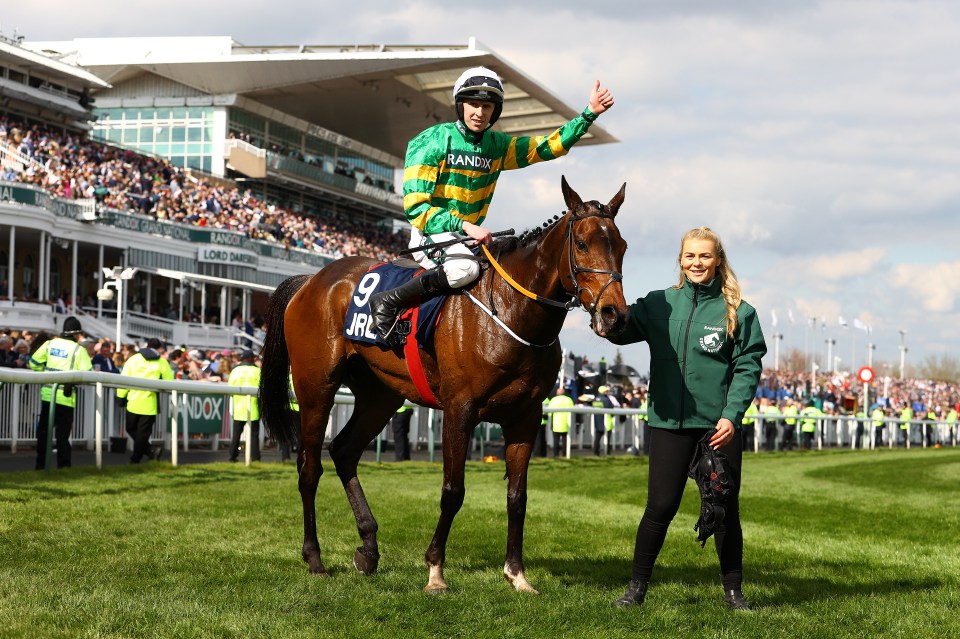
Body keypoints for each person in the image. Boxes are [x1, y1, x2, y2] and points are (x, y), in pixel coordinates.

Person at [368, 66, 615, 344]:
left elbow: (546, 147)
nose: (479, 113)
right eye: (473, 104)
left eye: (486, 106)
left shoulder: (496, 145)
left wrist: (589, 114)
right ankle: (388, 301)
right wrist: (464, 226)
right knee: (465, 270)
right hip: (430, 234)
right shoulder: (430, 142)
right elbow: (417, 210)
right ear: (460, 105)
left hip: (468, 238)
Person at [606, 227, 767, 610]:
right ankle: (636, 588)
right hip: (667, 424)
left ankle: (733, 592)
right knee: (659, 507)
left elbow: (748, 368)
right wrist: (605, 315)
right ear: (680, 260)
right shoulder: (659, 303)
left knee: (724, 510)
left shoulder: (741, 313)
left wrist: (731, 416)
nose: (697, 263)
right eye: (690, 256)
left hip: (718, 429)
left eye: (705, 256)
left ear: (718, 261)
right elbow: (619, 330)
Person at [28, 316, 94, 469]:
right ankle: (64, 467)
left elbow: (34, 363)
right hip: (66, 397)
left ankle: (40, 466)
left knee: (44, 433)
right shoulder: (79, 350)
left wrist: (45, 372)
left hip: (47, 395)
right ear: (75, 334)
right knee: (62, 436)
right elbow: (88, 374)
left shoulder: (49, 344)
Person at [117, 337, 174, 463]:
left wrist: (120, 396)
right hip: (150, 404)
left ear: (147, 345)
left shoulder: (133, 359)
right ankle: (148, 452)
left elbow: (124, 379)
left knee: (131, 429)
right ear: (159, 349)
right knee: (142, 435)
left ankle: (140, 456)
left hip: (133, 401)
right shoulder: (162, 362)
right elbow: (169, 382)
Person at [228, 349, 262, 462]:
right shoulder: (257, 371)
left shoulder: (235, 371)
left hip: (238, 407)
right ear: (251, 358)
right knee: (254, 434)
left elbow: (230, 389)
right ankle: (255, 457)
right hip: (253, 407)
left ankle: (232, 456)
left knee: (236, 434)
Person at [548, 385, 575, 458]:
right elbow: (573, 412)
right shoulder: (569, 400)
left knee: (556, 440)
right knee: (565, 440)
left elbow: (550, 413)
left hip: (556, 423)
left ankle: (555, 454)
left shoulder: (553, 400)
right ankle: (564, 454)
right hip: (566, 423)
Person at [592, 385, 615, 456]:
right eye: (607, 391)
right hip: (606, 422)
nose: (607, 392)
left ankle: (596, 452)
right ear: (603, 392)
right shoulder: (606, 400)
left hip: (597, 421)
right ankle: (607, 452)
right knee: (607, 438)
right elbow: (611, 410)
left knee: (597, 438)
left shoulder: (595, 399)